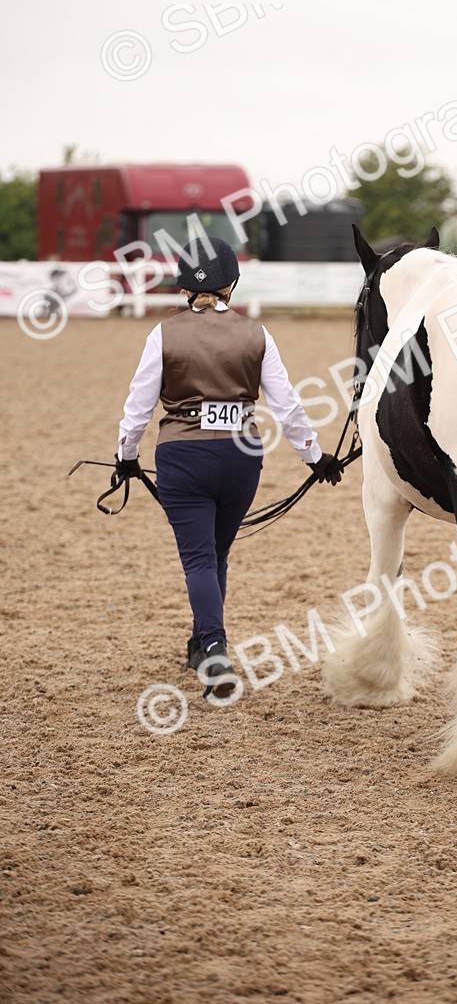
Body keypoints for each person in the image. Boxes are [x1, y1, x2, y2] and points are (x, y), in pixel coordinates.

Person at [114, 236, 342, 700]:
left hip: (183, 456)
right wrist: (314, 457)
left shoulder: (163, 334)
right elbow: (288, 407)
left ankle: (215, 650)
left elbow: (139, 405)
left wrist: (126, 454)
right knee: (216, 552)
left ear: (183, 286)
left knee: (199, 557)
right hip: (242, 459)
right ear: (231, 285)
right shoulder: (258, 335)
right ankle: (201, 642)